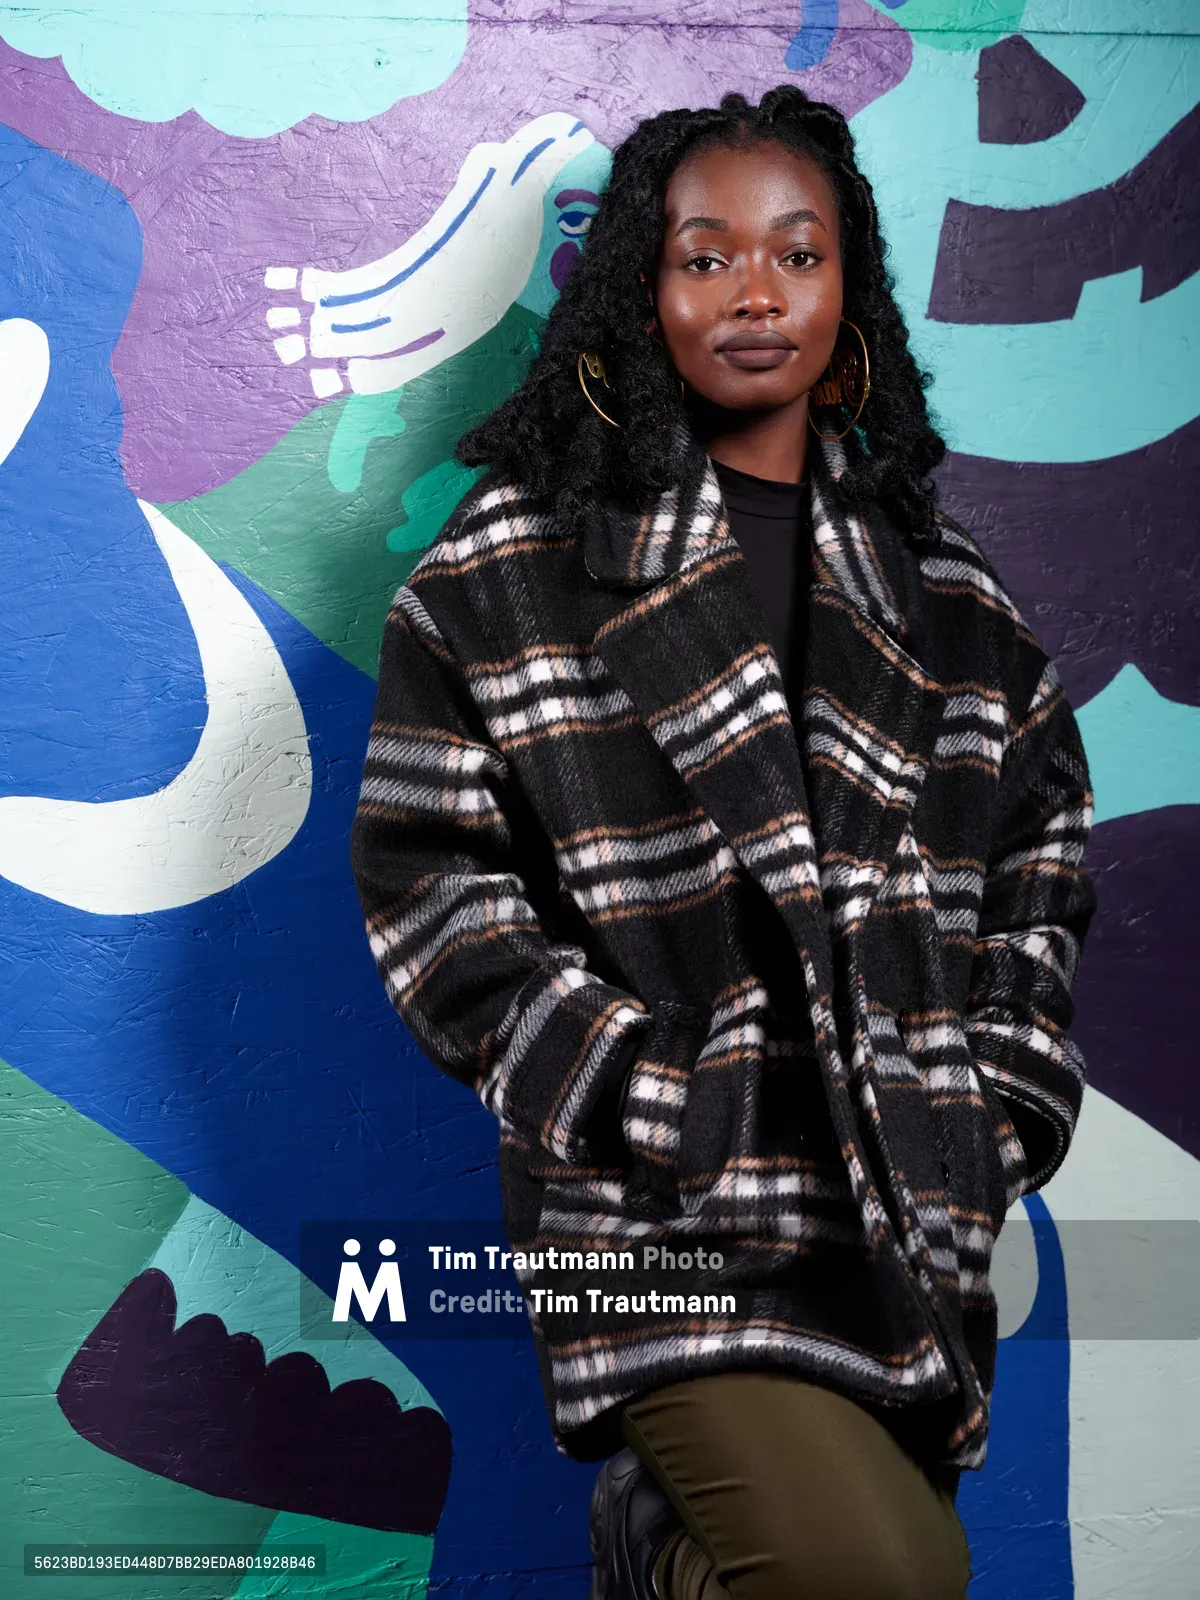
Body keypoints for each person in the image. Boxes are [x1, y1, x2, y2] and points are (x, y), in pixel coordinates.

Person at [349, 86, 1096, 1600]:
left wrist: (991, 1106)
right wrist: (656, 1094)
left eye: (797, 254)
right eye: (705, 258)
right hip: (651, 1212)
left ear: (850, 292)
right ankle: (653, 1547)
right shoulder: (504, 574)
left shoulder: (954, 602)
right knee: (887, 1579)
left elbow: (1044, 865)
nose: (755, 292)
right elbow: (433, 894)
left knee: (897, 1568)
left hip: (900, 1209)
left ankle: (662, 1556)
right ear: (644, 290)